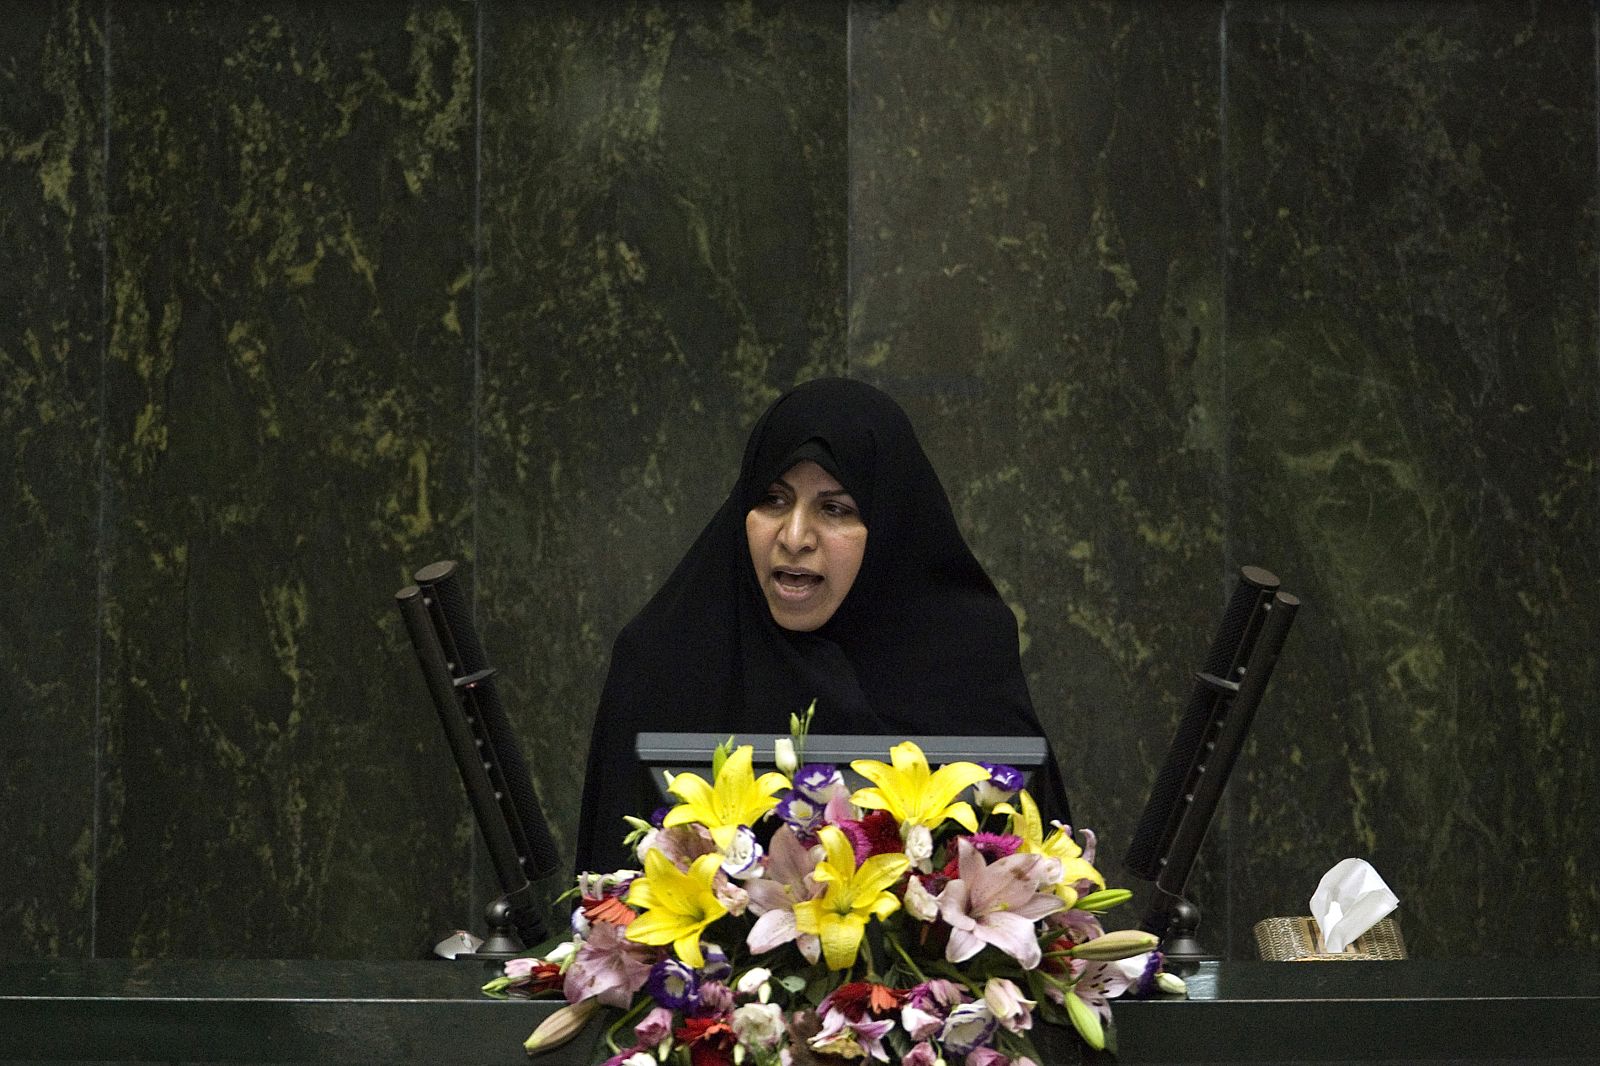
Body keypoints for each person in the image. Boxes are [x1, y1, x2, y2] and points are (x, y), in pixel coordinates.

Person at [572, 377, 1070, 873]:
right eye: (773, 499)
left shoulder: (965, 663)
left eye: (834, 509)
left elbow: (1037, 892)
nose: (793, 537)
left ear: (887, 528)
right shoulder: (664, 661)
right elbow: (609, 904)